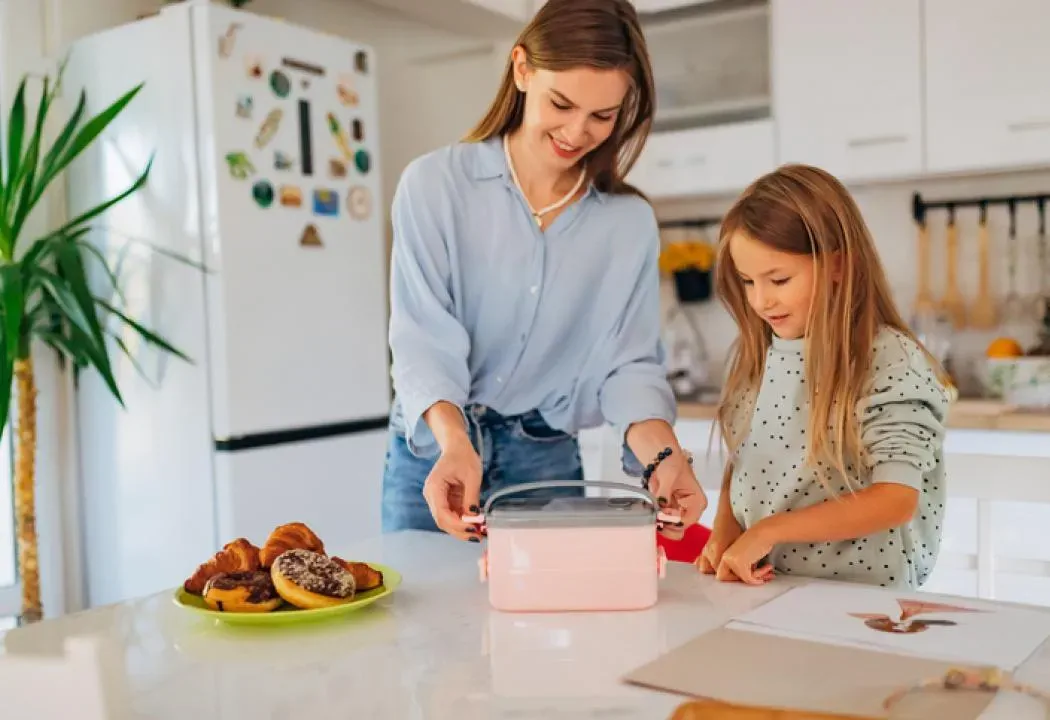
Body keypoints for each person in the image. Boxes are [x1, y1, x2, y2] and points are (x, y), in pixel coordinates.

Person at [381, 0, 707, 542]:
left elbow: (628, 367)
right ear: (522, 69)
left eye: (603, 116)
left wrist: (664, 458)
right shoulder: (435, 186)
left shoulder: (627, 224)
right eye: (562, 103)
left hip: (545, 456)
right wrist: (456, 443)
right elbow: (422, 340)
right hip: (437, 451)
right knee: (421, 625)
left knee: (546, 623)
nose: (578, 132)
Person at [696, 164, 952, 588]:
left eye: (779, 279)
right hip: (767, 588)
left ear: (836, 266)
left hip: (858, 603)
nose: (761, 300)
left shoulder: (888, 359)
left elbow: (895, 499)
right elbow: (745, 456)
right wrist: (727, 526)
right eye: (747, 281)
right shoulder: (755, 353)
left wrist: (768, 530)